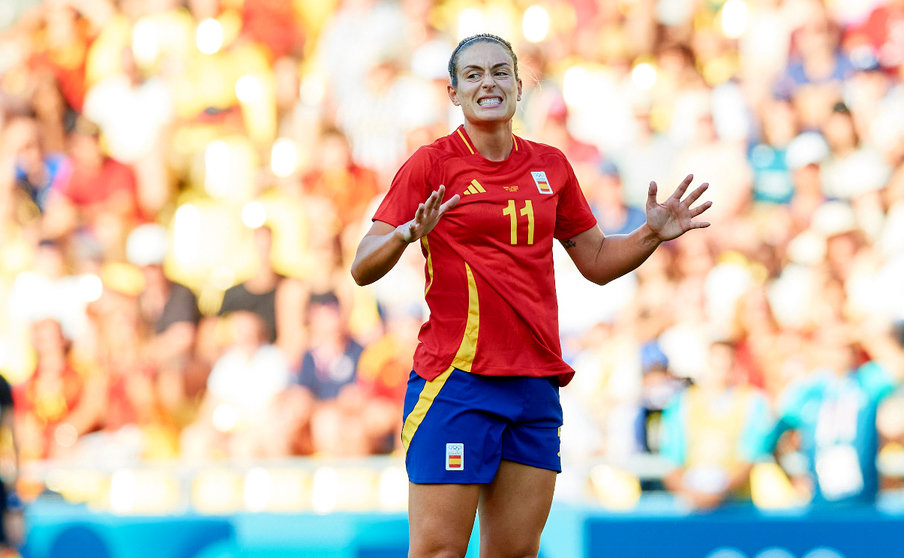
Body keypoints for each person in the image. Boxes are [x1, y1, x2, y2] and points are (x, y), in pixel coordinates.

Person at [350, 33, 712, 557]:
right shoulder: (432, 164)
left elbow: (595, 262)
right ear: (453, 92)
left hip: (533, 384)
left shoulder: (551, 166)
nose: (488, 82)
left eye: (500, 71)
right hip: (457, 381)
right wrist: (406, 234)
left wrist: (650, 234)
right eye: (472, 74)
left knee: (517, 553)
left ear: (520, 86)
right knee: (438, 551)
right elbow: (362, 267)